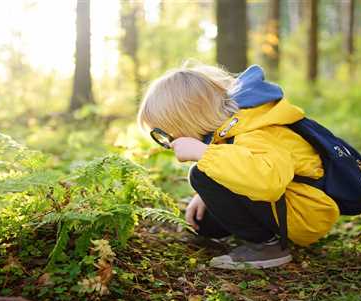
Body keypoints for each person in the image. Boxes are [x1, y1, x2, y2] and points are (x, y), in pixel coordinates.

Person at [137, 63, 339, 270]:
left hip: (305, 212)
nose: (169, 143)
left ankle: (266, 247)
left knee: (200, 175)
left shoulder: (254, 130)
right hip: (288, 204)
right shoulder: (230, 128)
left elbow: (268, 181)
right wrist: (207, 195)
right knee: (204, 221)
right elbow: (239, 164)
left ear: (188, 120)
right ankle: (254, 234)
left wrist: (204, 154)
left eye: (167, 134)